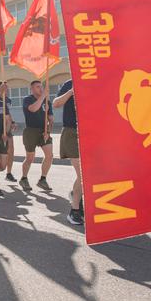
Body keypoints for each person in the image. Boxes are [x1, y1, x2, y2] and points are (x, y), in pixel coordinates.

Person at [54, 79, 83, 225]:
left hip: (91, 132)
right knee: (83, 174)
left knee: (88, 175)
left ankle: (77, 195)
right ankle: (74, 211)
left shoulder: (96, 81)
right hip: (72, 132)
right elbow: (56, 103)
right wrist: (72, 91)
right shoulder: (70, 83)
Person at [21, 80, 54, 192]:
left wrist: (48, 131)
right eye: (37, 87)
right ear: (32, 89)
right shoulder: (27, 99)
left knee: (49, 155)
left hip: (43, 131)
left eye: (41, 86)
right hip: (30, 131)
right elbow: (33, 109)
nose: (41, 88)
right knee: (30, 158)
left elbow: (51, 119)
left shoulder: (47, 102)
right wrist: (43, 96)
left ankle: (42, 179)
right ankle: (24, 178)